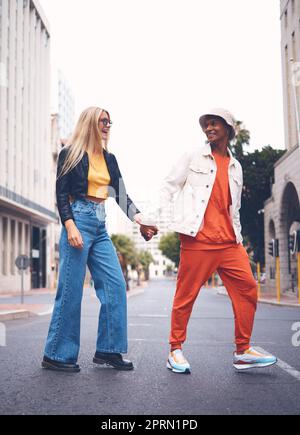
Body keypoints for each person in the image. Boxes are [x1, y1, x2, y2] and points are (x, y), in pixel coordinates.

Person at [156, 108, 277, 374]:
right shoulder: (193, 156)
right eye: (206, 125)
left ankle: (242, 350)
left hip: (230, 243)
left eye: (214, 124)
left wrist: (239, 238)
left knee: (247, 289)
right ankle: (175, 349)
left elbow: (234, 208)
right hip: (198, 240)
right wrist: (154, 218)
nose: (209, 128)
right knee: (185, 297)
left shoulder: (236, 167)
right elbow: (169, 186)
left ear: (228, 129)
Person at [42, 107, 157, 373]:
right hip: (78, 220)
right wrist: (69, 226)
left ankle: (108, 349)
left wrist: (140, 220)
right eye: (102, 121)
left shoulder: (109, 158)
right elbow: (61, 194)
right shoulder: (69, 154)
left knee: (116, 285)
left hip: (100, 224)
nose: (107, 125)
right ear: (90, 123)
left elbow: (120, 195)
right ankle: (57, 354)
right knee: (70, 291)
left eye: (109, 121)